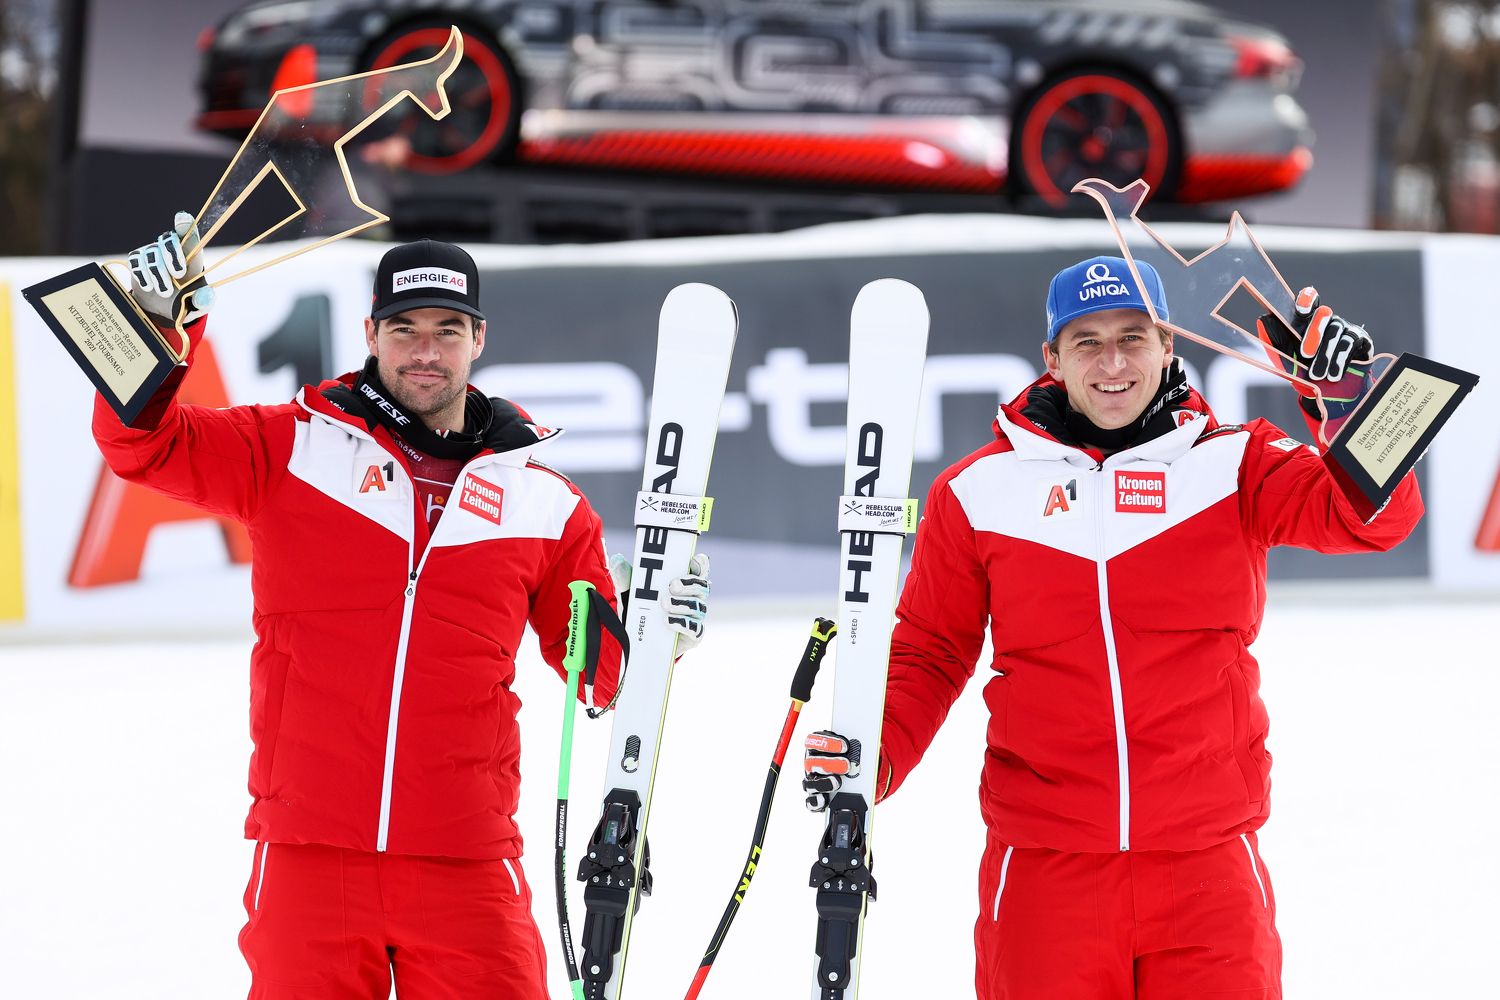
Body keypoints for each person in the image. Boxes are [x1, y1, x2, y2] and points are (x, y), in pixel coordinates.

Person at [95, 214, 711, 1000]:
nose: (426, 350)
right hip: (310, 852)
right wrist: (149, 332)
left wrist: (660, 633)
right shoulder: (291, 451)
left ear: (478, 339)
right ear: (372, 334)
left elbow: (600, 680)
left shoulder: (544, 506)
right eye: (405, 328)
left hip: (465, 858)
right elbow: (141, 445)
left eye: (448, 330)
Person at [803, 256, 1422, 999]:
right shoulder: (978, 492)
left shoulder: (1235, 465)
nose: (1113, 362)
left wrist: (1345, 404)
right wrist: (874, 758)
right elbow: (932, 651)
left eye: (1133, 337)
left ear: (1169, 344)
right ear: (1053, 359)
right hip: (1045, 871)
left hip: (1207, 868)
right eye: (1087, 342)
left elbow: (1374, 519)